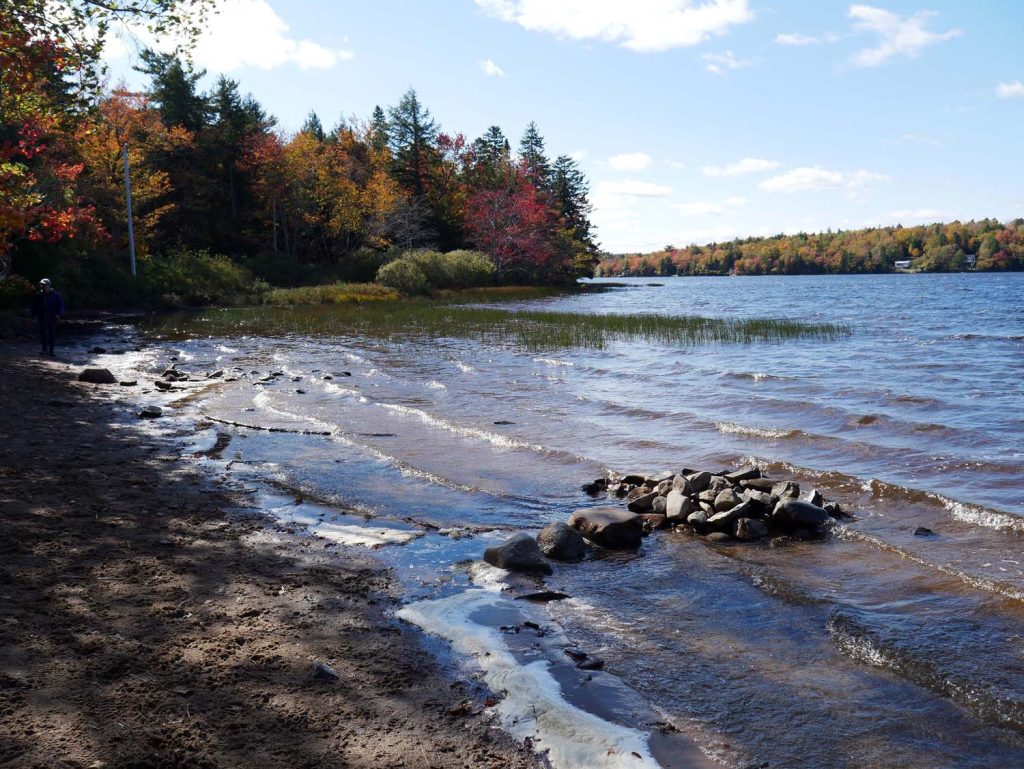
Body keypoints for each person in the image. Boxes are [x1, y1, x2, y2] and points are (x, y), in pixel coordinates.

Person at [30, 278, 64, 356]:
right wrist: (32, 315)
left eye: (45, 285)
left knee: (51, 333)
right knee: (43, 333)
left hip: (52, 317)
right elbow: (34, 306)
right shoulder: (38, 295)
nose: (43, 286)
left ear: (49, 285)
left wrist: (59, 314)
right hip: (41, 316)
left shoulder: (56, 295)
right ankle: (44, 349)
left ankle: (51, 351)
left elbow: (61, 305)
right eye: (42, 285)